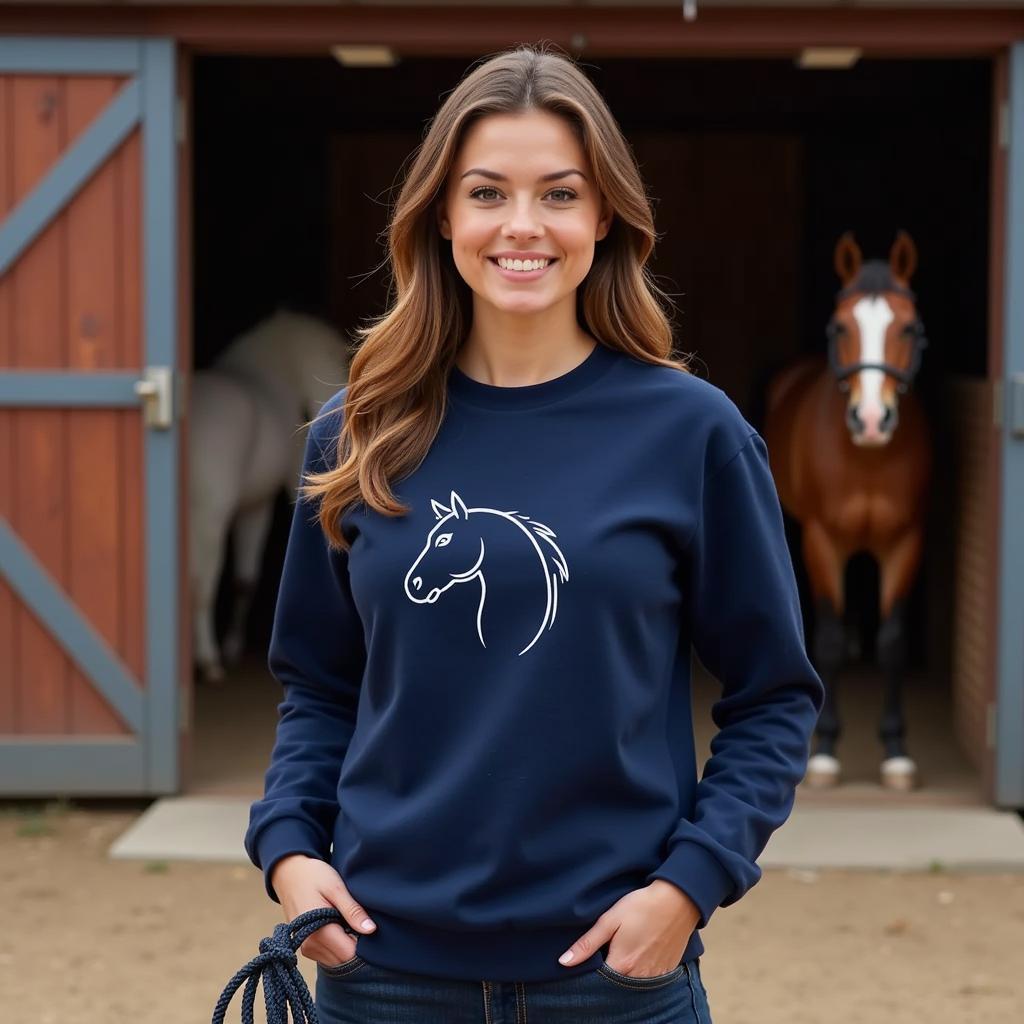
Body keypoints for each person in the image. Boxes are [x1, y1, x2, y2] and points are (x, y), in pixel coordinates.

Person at [243, 42, 824, 1024]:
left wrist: (687, 886)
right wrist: (291, 853)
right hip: (382, 977)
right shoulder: (355, 433)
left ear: (604, 217)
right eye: (486, 193)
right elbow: (319, 685)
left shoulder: (693, 435)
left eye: (559, 194)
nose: (522, 225)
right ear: (441, 215)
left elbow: (773, 696)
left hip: (614, 984)